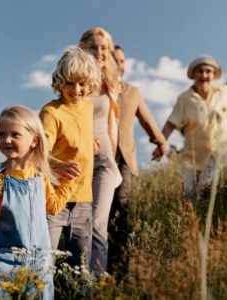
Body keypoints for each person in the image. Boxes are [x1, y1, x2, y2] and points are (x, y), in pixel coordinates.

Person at [0, 105, 64, 300]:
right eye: (1, 134)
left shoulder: (41, 178)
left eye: (15, 134)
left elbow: (53, 206)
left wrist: (69, 181)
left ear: (34, 140)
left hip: (39, 261)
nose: (6, 140)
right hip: (3, 260)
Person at [153, 56, 227, 207]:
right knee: (187, 195)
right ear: (194, 75)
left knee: (205, 192)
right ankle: (191, 227)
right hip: (192, 156)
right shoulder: (184, 99)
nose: (204, 76)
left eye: (208, 72)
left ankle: (206, 225)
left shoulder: (223, 93)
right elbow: (170, 124)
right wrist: (161, 144)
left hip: (218, 154)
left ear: (214, 75)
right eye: (200, 71)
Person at [39, 46, 102, 267]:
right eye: (69, 83)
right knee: (44, 261)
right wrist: (57, 165)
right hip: (54, 199)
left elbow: (76, 132)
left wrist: (89, 141)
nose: (76, 90)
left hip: (83, 198)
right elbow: (38, 153)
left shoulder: (87, 107)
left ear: (91, 84)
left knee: (80, 265)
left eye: (82, 84)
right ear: (59, 82)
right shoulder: (51, 112)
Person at [108, 45, 167, 273]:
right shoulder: (93, 89)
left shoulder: (132, 91)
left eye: (122, 61)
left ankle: (120, 268)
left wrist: (160, 141)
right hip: (98, 158)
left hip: (124, 159)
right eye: (115, 60)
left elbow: (146, 119)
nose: (119, 65)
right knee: (100, 213)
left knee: (122, 208)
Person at [79, 27, 122, 275]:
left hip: (104, 162)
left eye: (104, 47)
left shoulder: (110, 83)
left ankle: (95, 283)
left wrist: (113, 159)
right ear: (83, 48)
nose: (99, 52)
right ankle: (76, 279)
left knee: (97, 224)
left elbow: (112, 126)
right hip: (78, 161)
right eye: (93, 46)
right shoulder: (74, 79)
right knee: (78, 225)